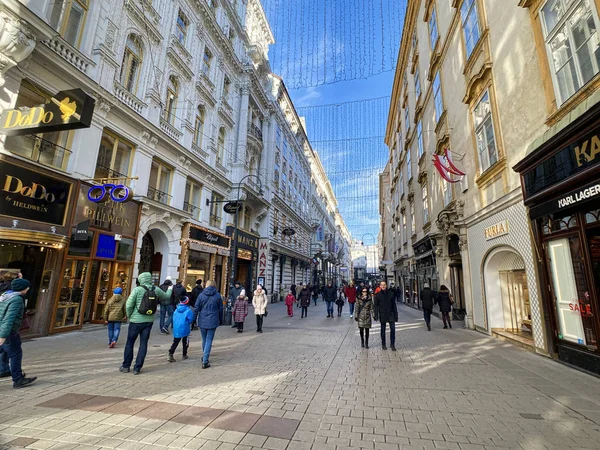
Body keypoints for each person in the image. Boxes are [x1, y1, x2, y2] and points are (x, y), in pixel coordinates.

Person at [120, 272, 172, 375]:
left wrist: (130, 316)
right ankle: (137, 368)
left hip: (135, 321)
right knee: (143, 344)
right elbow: (166, 297)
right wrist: (170, 288)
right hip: (148, 321)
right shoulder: (155, 289)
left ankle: (126, 366)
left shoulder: (137, 289)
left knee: (130, 343)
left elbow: (129, 305)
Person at [0, 278, 36, 388]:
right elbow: (9, 319)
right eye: (27, 287)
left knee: (4, 350)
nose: (28, 288)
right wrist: (3, 336)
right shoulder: (16, 299)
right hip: (9, 332)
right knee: (15, 354)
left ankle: (4, 369)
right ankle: (18, 379)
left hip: (2, 328)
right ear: (22, 289)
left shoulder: (5, 295)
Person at [194, 280, 223, 369]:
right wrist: (220, 320)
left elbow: (196, 308)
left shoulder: (201, 295)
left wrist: (193, 319)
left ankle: (205, 356)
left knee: (204, 339)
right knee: (209, 340)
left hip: (202, 319)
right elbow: (220, 309)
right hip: (213, 319)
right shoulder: (218, 295)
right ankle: (205, 360)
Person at [374, 281, 398, 351]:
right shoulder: (377, 295)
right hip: (383, 314)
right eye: (382, 285)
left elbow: (394, 305)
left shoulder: (391, 294)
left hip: (391, 314)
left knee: (393, 329)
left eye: (384, 285)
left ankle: (392, 344)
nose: (383, 286)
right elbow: (376, 306)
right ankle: (383, 344)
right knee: (383, 330)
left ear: (386, 285)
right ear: (380, 286)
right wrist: (376, 315)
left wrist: (396, 315)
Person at [168, 296, 194, 362]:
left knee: (175, 341)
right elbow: (191, 319)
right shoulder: (188, 310)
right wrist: (188, 323)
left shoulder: (176, 309)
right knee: (185, 342)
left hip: (177, 327)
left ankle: (171, 353)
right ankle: (184, 354)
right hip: (185, 327)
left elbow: (173, 317)